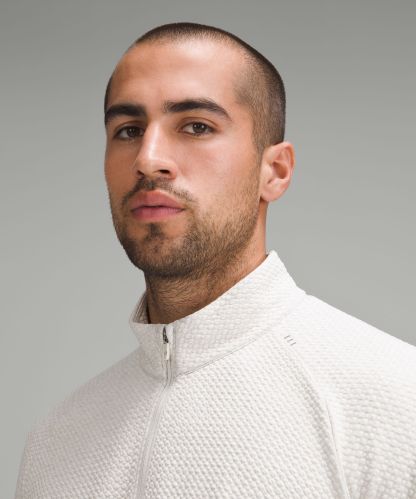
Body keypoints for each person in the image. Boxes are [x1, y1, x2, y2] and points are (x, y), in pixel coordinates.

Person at [15, 22, 416, 499]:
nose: (148, 158)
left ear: (275, 171)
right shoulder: (55, 442)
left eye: (197, 126)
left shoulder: (395, 403)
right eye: (128, 130)